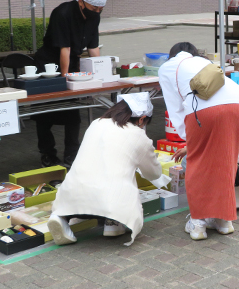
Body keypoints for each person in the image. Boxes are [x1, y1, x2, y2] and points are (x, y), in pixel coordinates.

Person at [47, 93, 163, 246]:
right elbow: (153, 173)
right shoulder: (139, 135)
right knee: (124, 178)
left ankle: (61, 217)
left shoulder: (97, 122)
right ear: (141, 119)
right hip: (109, 201)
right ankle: (113, 221)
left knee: (103, 172)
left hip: (72, 196)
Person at [159, 42, 239, 240]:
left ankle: (198, 223)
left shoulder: (167, 67)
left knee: (198, 164)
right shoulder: (202, 61)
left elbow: (175, 107)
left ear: (171, 55)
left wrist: (189, 141)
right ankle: (224, 221)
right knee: (225, 162)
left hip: (204, 111)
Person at [33, 0, 106, 168]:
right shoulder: (63, 13)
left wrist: (101, 71)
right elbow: (64, 48)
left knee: (73, 115)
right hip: (48, 65)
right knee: (44, 115)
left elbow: (93, 47)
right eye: (93, 8)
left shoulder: (94, 16)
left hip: (72, 63)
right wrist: (65, 77)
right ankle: (47, 154)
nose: (97, 12)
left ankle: (72, 156)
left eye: (100, 9)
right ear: (81, 1)